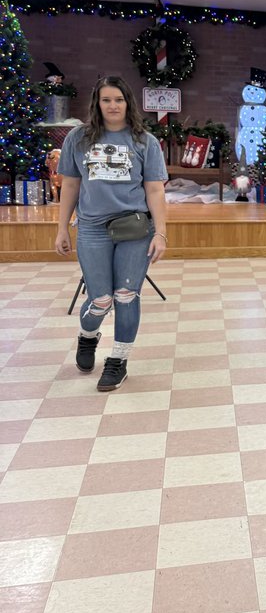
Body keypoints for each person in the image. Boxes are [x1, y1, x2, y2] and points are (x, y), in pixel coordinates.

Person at [54, 75, 168, 391]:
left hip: (135, 227)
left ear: (128, 103)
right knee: (101, 299)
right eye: (106, 100)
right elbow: (70, 185)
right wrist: (62, 228)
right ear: (98, 103)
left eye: (119, 99)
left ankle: (118, 361)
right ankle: (88, 335)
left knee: (126, 295)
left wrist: (160, 233)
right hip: (92, 228)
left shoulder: (145, 141)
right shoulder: (78, 138)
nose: (113, 105)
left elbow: (155, 190)